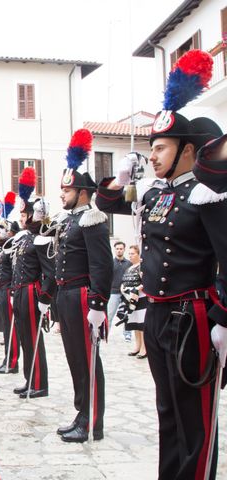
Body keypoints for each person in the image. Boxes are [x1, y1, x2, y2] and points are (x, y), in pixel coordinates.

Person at [95, 49, 227, 479]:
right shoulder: (153, 194)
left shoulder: (207, 194)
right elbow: (105, 202)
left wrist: (224, 317)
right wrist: (122, 177)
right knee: (167, 410)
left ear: (187, 150)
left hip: (194, 316)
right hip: (158, 313)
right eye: (150, 147)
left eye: (160, 147)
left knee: (197, 418)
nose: (152, 155)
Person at [54, 129, 112, 443]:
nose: (62, 195)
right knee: (75, 359)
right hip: (66, 296)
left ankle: (92, 421)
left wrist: (98, 304)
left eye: (67, 190)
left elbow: (102, 265)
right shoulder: (69, 220)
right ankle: (81, 412)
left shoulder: (93, 218)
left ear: (82, 192)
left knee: (88, 360)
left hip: (82, 297)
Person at [11, 168, 56, 399]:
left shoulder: (42, 237)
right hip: (20, 291)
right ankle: (30, 378)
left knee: (33, 338)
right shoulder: (26, 236)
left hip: (31, 292)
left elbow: (50, 272)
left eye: (25, 215)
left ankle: (40, 383)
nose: (22, 218)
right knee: (25, 338)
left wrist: (45, 299)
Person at [0, 194, 20, 374]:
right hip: (0, 288)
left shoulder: (14, 246)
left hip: (8, 288)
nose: (2, 231)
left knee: (11, 329)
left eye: (5, 229)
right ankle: (7, 358)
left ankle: (12, 362)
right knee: (5, 328)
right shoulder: (5, 246)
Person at [114, 245, 147, 358]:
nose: (130, 256)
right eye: (130, 254)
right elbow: (125, 280)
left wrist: (136, 289)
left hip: (141, 298)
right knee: (135, 324)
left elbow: (146, 281)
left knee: (141, 324)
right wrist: (123, 288)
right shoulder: (130, 267)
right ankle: (137, 346)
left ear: (138, 255)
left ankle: (144, 348)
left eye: (132, 253)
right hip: (130, 299)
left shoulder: (142, 267)